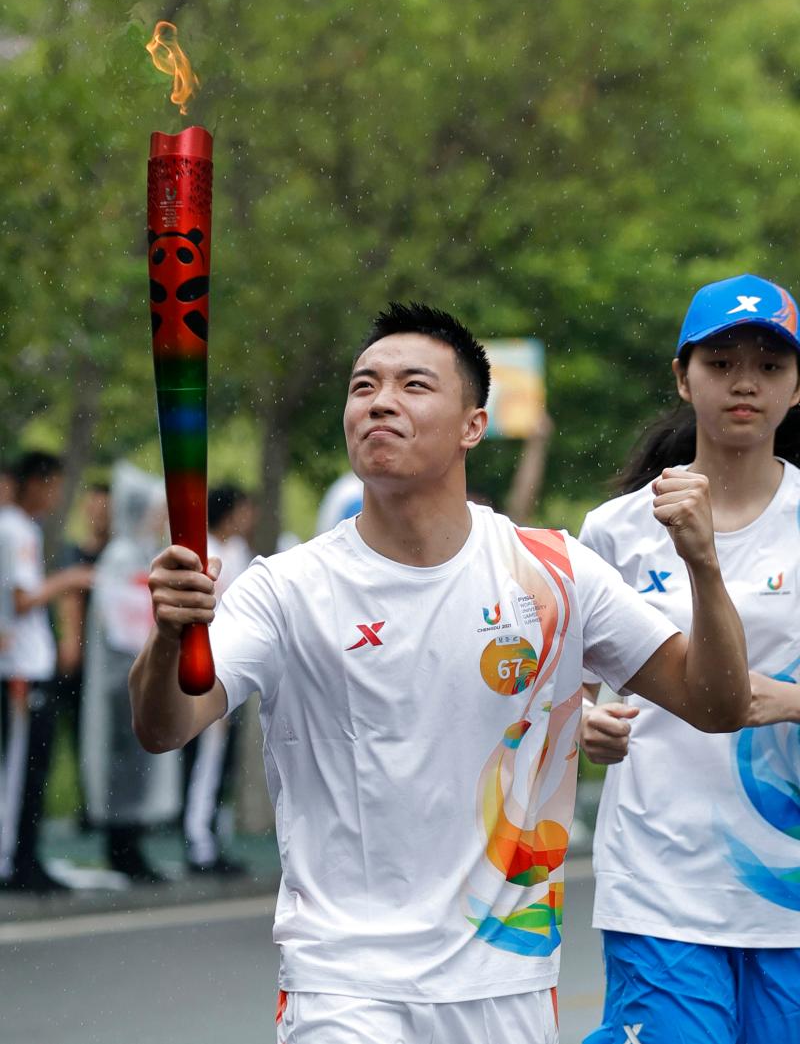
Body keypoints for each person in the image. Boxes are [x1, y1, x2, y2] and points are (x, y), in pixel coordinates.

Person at [130, 302, 750, 1044]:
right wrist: (170, 638)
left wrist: (705, 568)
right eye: (364, 386)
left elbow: (715, 703)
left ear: (473, 425)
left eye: (413, 384)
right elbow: (165, 724)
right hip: (343, 980)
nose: (381, 400)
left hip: (504, 978)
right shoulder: (287, 587)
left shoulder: (554, 574)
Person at [579, 273, 800, 1044]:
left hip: (790, 890)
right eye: (721, 361)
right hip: (661, 880)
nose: (745, 382)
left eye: (771, 366)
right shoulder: (617, 531)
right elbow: (548, 682)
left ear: (798, 388)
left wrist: (792, 698)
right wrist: (580, 719)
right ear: (682, 376)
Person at [81, 462, 180, 882]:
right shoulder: (121, 557)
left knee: (140, 766)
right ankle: (121, 847)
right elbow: (119, 622)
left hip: (138, 673)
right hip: (119, 678)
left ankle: (133, 843)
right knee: (123, 764)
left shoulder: (143, 553)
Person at [0, 451, 94, 892]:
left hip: (26, 664)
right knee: (21, 771)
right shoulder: (16, 528)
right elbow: (22, 599)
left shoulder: (20, 528)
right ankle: (16, 861)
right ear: (34, 483)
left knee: (31, 769)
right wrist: (69, 579)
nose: (56, 496)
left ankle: (24, 857)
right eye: (53, 485)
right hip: (20, 667)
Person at [182, 484, 252, 875]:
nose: (250, 517)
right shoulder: (205, 549)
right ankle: (198, 841)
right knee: (204, 760)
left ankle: (211, 834)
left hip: (233, 670)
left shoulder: (239, 551)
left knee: (221, 763)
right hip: (209, 669)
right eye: (244, 509)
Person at [55, 481, 111, 825]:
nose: (99, 516)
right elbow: (69, 602)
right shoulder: (74, 554)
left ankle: (105, 803)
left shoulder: (120, 553)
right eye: (94, 509)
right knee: (80, 732)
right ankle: (90, 804)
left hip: (112, 662)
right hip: (84, 661)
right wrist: (71, 645)